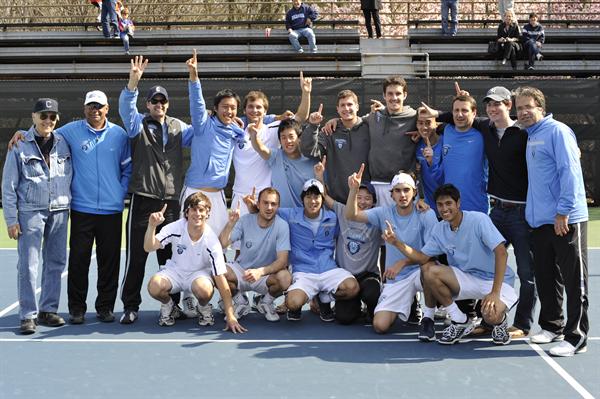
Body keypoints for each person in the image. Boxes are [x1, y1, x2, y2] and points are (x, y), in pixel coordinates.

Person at [421, 84, 536, 338]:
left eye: (499, 103)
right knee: (472, 262)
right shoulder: (483, 128)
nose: (494, 108)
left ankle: (522, 323)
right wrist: (437, 116)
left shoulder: (521, 132)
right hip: (497, 210)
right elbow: (447, 118)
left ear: (509, 105)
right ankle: (479, 317)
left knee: (526, 270)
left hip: (515, 212)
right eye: (490, 104)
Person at [383, 184, 517, 345]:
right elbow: (422, 257)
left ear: (458, 203)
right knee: (428, 269)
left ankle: (500, 321)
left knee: (490, 316)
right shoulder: (440, 229)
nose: (444, 208)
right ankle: (459, 320)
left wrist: (495, 293)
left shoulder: (478, 220)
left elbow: (502, 253)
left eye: (448, 203)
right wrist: (396, 243)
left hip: (497, 281)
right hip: (468, 277)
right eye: (440, 205)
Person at [117, 55, 195, 324]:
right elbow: (126, 107)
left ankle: (172, 304)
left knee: (170, 258)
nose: (159, 105)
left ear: (167, 104)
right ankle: (130, 305)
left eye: (163, 101)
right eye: (154, 101)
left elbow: (203, 131)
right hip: (143, 200)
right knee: (137, 257)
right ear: (147, 104)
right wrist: (133, 82)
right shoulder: (137, 124)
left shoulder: (178, 127)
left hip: (171, 203)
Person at [515, 86, 589, 357]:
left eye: (527, 107)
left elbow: (569, 171)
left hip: (565, 219)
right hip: (540, 222)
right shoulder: (530, 134)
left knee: (574, 280)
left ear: (541, 109)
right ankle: (551, 326)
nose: (522, 112)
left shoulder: (557, 131)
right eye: (519, 108)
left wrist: (563, 212)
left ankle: (577, 336)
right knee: (547, 277)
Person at [2, 99, 71, 335]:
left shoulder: (64, 143)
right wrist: (11, 220)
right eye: (43, 116)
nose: (48, 121)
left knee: (56, 263)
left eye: (52, 116)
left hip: (60, 210)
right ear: (33, 117)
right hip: (30, 212)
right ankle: (28, 315)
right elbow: (8, 186)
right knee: (29, 265)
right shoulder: (19, 145)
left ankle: (48, 310)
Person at [245, 179, 360, 322]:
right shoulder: (290, 215)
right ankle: (303, 300)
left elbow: (351, 219)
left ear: (322, 199)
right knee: (292, 303)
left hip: (328, 269)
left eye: (316, 197)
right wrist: (252, 207)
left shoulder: (333, 217)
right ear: (302, 199)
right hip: (303, 271)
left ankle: (324, 298)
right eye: (308, 196)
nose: (313, 201)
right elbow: (268, 211)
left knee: (352, 288)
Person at [346, 168, 437, 333]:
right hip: (397, 279)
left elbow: (430, 255)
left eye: (406, 190)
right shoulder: (383, 213)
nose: (402, 195)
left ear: (414, 192)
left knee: (430, 270)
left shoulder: (426, 214)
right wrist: (353, 190)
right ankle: (410, 302)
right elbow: (352, 215)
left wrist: (403, 261)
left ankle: (429, 317)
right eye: (398, 190)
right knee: (379, 325)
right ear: (392, 195)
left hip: (420, 272)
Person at [144, 192, 246, 333]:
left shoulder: (211, 241)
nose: (197, 214)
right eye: (193, 209)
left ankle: (203, 306)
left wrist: (230, 315)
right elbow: (149, 247)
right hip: (176, 271)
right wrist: (151, 226)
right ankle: (170, 306)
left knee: (204, 290)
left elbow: (221, 279)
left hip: (199, 275)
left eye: (201, 210)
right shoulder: (175, 228)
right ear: (186, 212)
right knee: (154, 286)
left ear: (207, 213)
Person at [182, 49, 245, 236]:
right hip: (194, 191)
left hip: (218, 195)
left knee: (219, 244)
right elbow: (197, 104)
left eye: (233, 108)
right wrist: (194, 76)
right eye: (225, 107)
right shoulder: (203, 125)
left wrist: (279, 116)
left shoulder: (237, 131)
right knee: (188, 242)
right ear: (215, 108)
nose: (229, 111)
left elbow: (259, 120)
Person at [232, 72, 312, 217]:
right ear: (244, 110)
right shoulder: (234, 131)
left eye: (259, 107)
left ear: (265, 111)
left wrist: (306, 93)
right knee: (236, 239)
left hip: (266, 197)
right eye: (250, 107)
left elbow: (300, 117)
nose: (254, 111)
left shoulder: (275, 128)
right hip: (239, 195)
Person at [314, 158, 382, 324]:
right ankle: (349, 304)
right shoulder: (342, 210)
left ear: (374, 202)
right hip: (345, 276)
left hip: (368, 275)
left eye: (368, 198)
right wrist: (320, 177)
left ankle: (372, 310)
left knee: (372, 292)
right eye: (359, 197)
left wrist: (419, 202)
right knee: (344, 318)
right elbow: (324, 197)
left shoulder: (378, 217)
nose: (363, 202)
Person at [218, 187, 291, 322]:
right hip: (242, 271)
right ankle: (241, 302)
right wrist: (230, 224)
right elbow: (223, 244)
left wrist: (260, 272)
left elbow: (282, 261)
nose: (269, 207)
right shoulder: (245, 220)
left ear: (278, 206)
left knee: (286, 278)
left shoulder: (282, 226)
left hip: (265, 275)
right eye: (265, 203)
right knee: (218, 271)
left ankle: (266, 302)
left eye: (273, 204)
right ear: (258, 204)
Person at [300, 90, 370, 203]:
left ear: (357, 106)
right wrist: (313, 126)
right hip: (337, 201)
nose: (346, 108)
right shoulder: (330, 130)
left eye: (350, 104)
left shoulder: (368, 127)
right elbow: (310, 151)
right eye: (342, 105)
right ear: (337, 109)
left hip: (365, 201)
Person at [249, 118, 316, 208]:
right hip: (280, 217)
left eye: (291, 136)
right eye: (283, 137)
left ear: (299, 138)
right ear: (280, 141)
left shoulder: (313, 162)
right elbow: (260, 148)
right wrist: (254, 136)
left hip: (304, 219)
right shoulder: (275, 156)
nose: (287, 141)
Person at [415, 111, 442, 213]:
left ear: (436, 124)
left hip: (447, 204)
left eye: (428, 123)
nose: (424, 127)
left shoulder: (446, 142)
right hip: (427, 207)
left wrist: (431, 161)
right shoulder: (416, 144)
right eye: (420, 123)